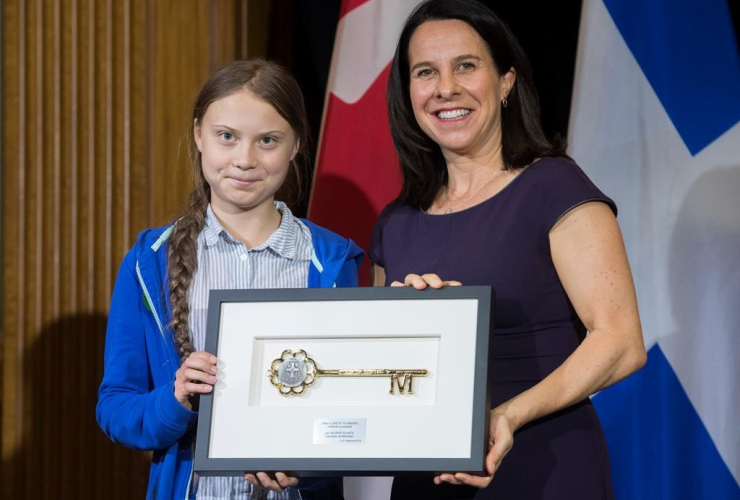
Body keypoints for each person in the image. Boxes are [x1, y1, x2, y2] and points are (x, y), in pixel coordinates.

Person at [369, 1, 647, 499]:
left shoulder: (553, 186)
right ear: (407, 92)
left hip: (540, 465)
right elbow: (379, 371)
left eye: (467, 66)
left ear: (505, 81)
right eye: (426, 72)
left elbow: (621, 342)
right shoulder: (396, 223)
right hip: (423, 480)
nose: (445, 88)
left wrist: (506, 417)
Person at [96, 59, 362, 500]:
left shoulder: (332, 262)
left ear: (296, 145)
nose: (244, 159)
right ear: (199, 134)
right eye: (227, 137)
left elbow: (351, 412)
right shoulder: (149, 262)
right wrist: (176, 397)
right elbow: (116, 409)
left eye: (268, 141)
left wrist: (307, 468)